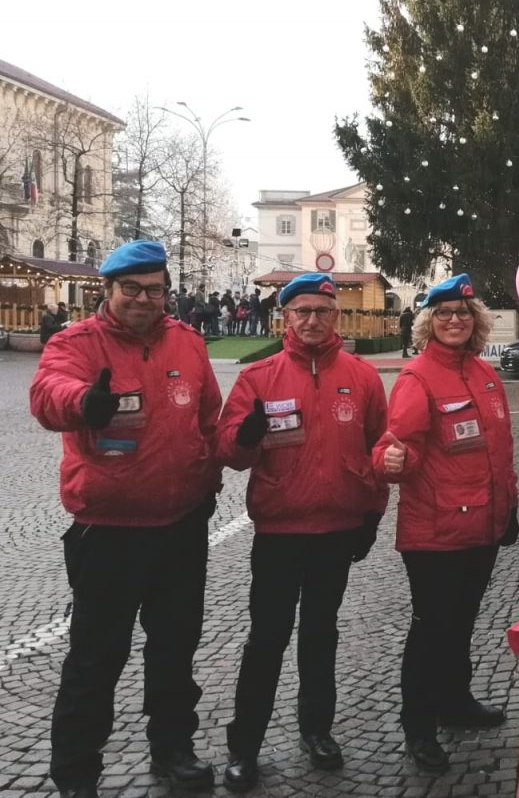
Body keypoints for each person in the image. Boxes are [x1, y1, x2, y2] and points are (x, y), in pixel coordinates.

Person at [29, 240, 224, 798]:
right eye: (132, 289)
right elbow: (48, 391)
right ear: (109, 291)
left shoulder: (187, 342)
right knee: (96, 655)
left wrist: (209, 477)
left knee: (175, 647)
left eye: (154, 289)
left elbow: (208, 418)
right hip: (108, 531)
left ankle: (173, 748)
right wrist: (81, 403)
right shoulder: (78, 342)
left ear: (167, 290)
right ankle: (76, 771)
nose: (144, 299)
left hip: (182, 525)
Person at [215, 272, 388, 791]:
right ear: (285, 317)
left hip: (336, 530)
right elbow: (229, 451)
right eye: (302, 312)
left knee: (321, 635)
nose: (312, 320)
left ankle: (317, 730)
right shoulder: (259, 377)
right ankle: (245, 745)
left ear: (336, 316)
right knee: (266, 639)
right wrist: (244, 439)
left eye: (322, 311)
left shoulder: (361, 377)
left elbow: (382, 450)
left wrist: (373, 514)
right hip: (279, 532)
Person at [373, 274, 519, 773]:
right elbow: (394, 445)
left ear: (474, 321)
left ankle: (455, 702)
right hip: (436, 533)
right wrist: (391, 461)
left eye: (462, 313)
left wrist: (511, 507)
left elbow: (500, 451)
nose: (453, 320)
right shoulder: (417, 378)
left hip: (483, 527)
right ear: (428, 323)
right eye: (443, 314)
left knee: (461, 625)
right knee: (431, 629)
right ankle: (418, 726)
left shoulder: (485, 375)